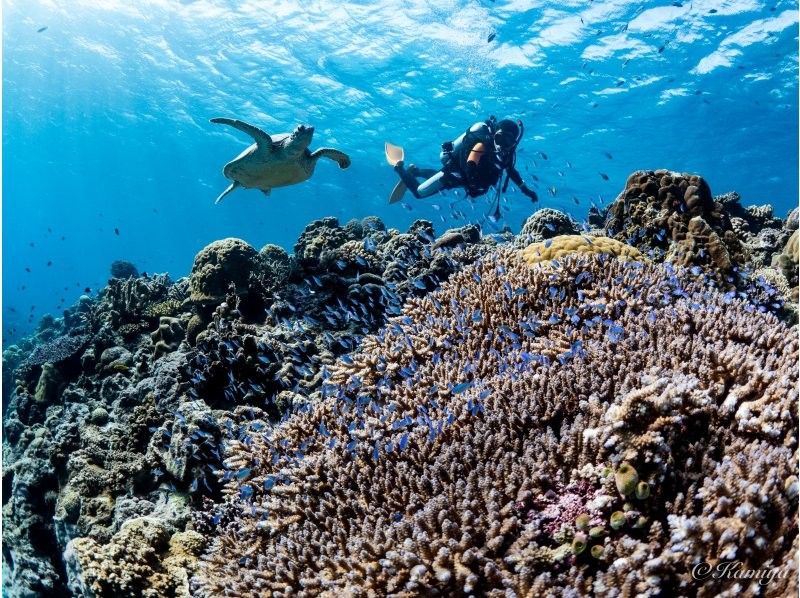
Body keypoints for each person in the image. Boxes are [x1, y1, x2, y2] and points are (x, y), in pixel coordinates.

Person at [392, 116, 539, 203]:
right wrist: (472, 178)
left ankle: (416, 171)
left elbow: (512, 172)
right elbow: (471, 160)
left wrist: (526, 190)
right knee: (419, 193)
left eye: (507, 142)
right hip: (456, 173)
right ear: (495, 134)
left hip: (464, 181)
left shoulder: (507, 155)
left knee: (442, 182)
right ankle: (400, 167)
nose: (502, 145)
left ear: (513, 143)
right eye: (500, 138)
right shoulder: (483, 143)